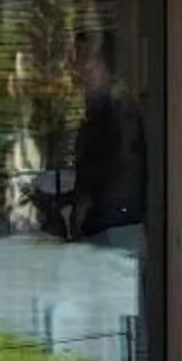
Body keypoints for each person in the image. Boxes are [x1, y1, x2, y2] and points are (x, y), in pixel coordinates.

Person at [69, 30, 148, 241]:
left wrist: (89, 213)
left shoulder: (118, 111)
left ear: (104, 65)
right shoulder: (97, 110)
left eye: (84, 59)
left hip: (113, 230)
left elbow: (120, 173)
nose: (77, 69)